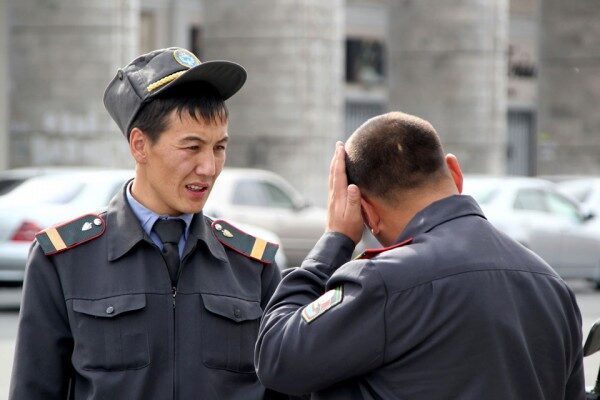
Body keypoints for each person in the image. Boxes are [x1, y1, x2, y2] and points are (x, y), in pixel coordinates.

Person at [10, 47, 283, 399]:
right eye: (192, 147)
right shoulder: (63, 261)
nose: (209, 168)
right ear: (140, 145)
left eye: (219, 148)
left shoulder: (252, 265)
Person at [255, 111, 585, 399]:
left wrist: (335, 240)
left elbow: (276, 357)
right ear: (455, 172)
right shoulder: (552, 286)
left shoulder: (383, 282)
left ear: (366, 212)